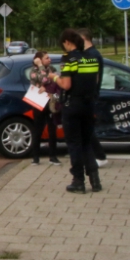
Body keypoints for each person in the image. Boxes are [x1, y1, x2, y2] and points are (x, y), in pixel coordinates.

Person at [48, 28, 102, 193]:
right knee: (86, 142)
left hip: (72, 106)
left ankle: (78, 180)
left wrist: (54, 77)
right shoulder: (92, 58)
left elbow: (66, 85)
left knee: (74, 144)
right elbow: (96, 80)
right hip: (88, 105)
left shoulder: (69, 59)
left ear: (67, 42)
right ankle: (95, 179)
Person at [76, 28, 107, 168]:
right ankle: (94, 155)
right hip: (89, 95)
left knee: (87, 128)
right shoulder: (90, 54)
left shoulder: (92, 55)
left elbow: (94, 78)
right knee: (85, 128)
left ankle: (99, 155)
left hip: (89, 96)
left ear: (83, 39)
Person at [28, 50, 61, 166]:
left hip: (51, 102)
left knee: (53, 130)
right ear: (39, 60)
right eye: (47, 58)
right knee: (38, 129)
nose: (50, 60)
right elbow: (45, 79)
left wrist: (46, 88)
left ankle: (53, 156)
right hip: (39, 102)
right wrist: (41, 67)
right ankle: (35, 157)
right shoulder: (33, 71)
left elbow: (57, 82)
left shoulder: (52, 68)